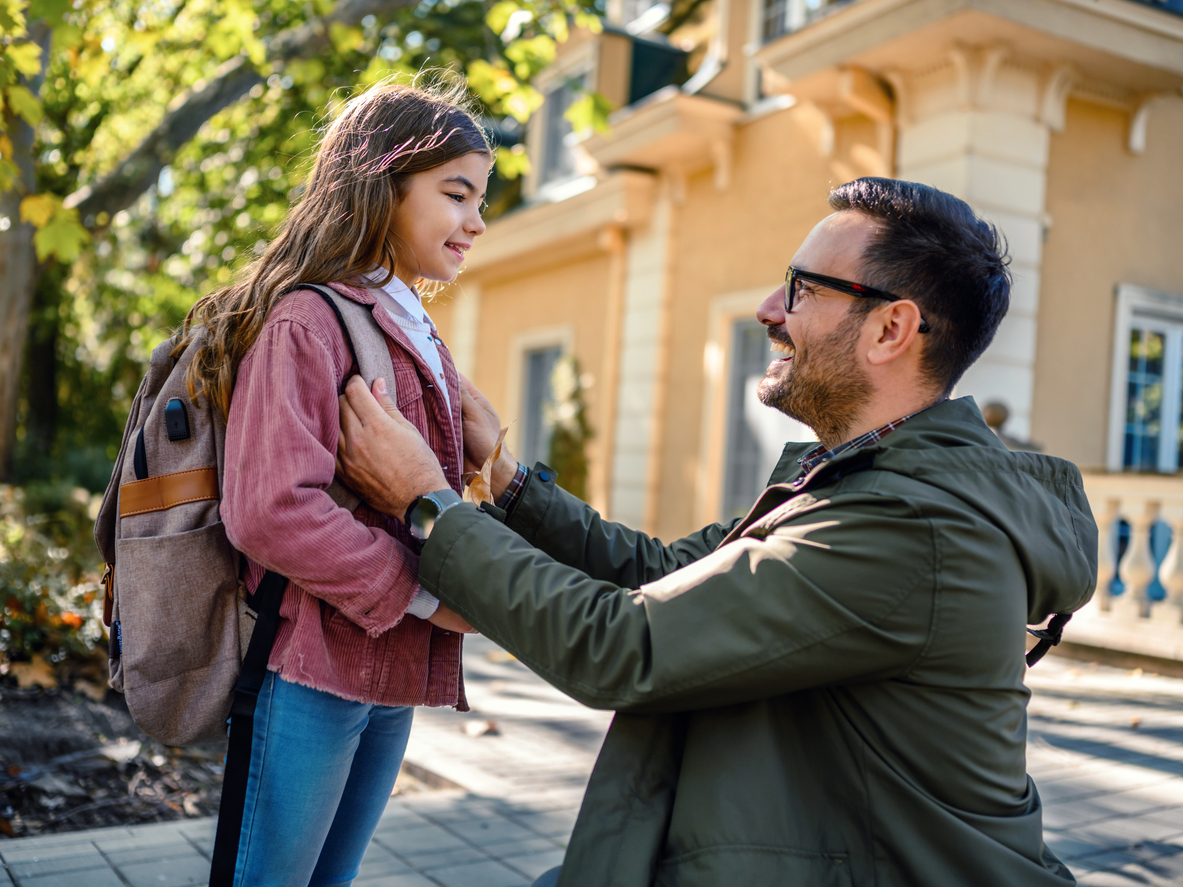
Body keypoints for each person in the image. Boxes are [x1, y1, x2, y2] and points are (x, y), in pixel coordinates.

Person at [335, 177, 1098, 887]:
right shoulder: (853, 481)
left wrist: (428, 504)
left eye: (801, 288)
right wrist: (503, 475)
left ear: (890, 329)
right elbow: (661, 571)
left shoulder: (911, 527)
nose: (770, 308)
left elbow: (625, 646)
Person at [181, 80, 487, 886]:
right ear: (382, 186)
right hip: (313, 672)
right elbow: (271, 510)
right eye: (456, 194)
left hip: (390, 669)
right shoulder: (306, 322)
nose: (477, 222)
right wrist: (427, 593)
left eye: (479, 199)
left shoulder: (411, 322)